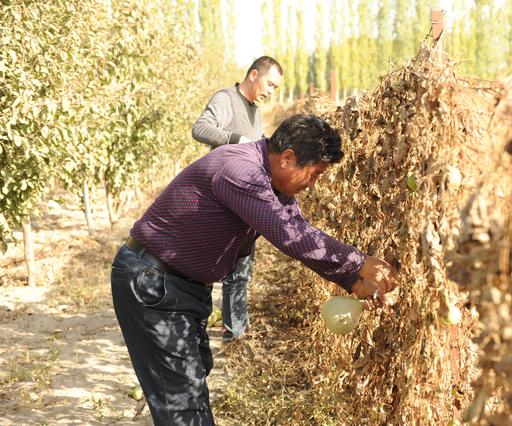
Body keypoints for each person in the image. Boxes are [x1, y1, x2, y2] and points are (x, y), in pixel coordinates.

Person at [110, 114, 399, 425]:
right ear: (288, 158)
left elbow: (296, 228)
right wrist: (361, 262)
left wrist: (353, 281)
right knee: (182, 402)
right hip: (154, 282)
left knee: (190, 384)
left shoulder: (272, 181)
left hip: (179, 286)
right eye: (315, 174)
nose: (314, 184)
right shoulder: (241, 171)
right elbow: (288, 235)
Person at [192, 55, 283, 342]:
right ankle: (194, 331)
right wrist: (239, 141)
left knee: (240, 272)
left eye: (276, 88)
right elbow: (200, 129)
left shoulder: (255, 111)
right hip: (220, 202)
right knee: (206, 271)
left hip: (243, 206)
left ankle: (235, 334)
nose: (270, 92)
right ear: (253, 74)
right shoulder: (226, 98)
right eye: (269, 84)